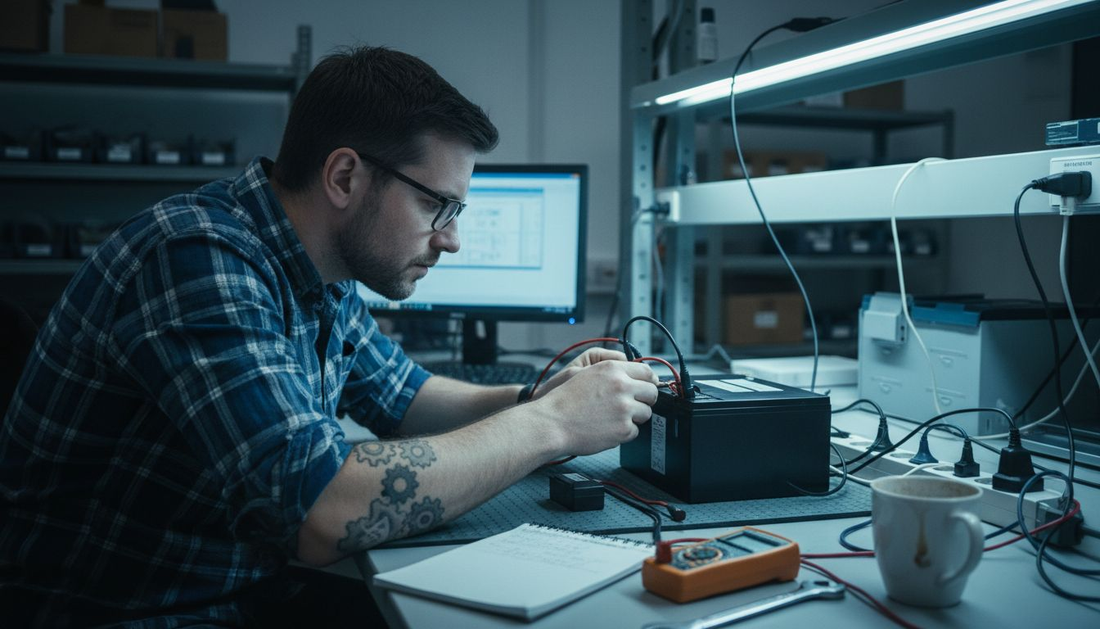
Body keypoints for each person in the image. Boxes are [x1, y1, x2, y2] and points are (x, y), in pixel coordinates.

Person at [0, 46, 659, 626]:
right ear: (345, 177)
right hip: (132, 610)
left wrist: (546, 393)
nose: (452, 239)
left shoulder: (324, 269)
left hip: (242, 589)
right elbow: (318, 509)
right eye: (438, 205)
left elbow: (409, 399)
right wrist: (551, 427)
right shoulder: (195, 257)